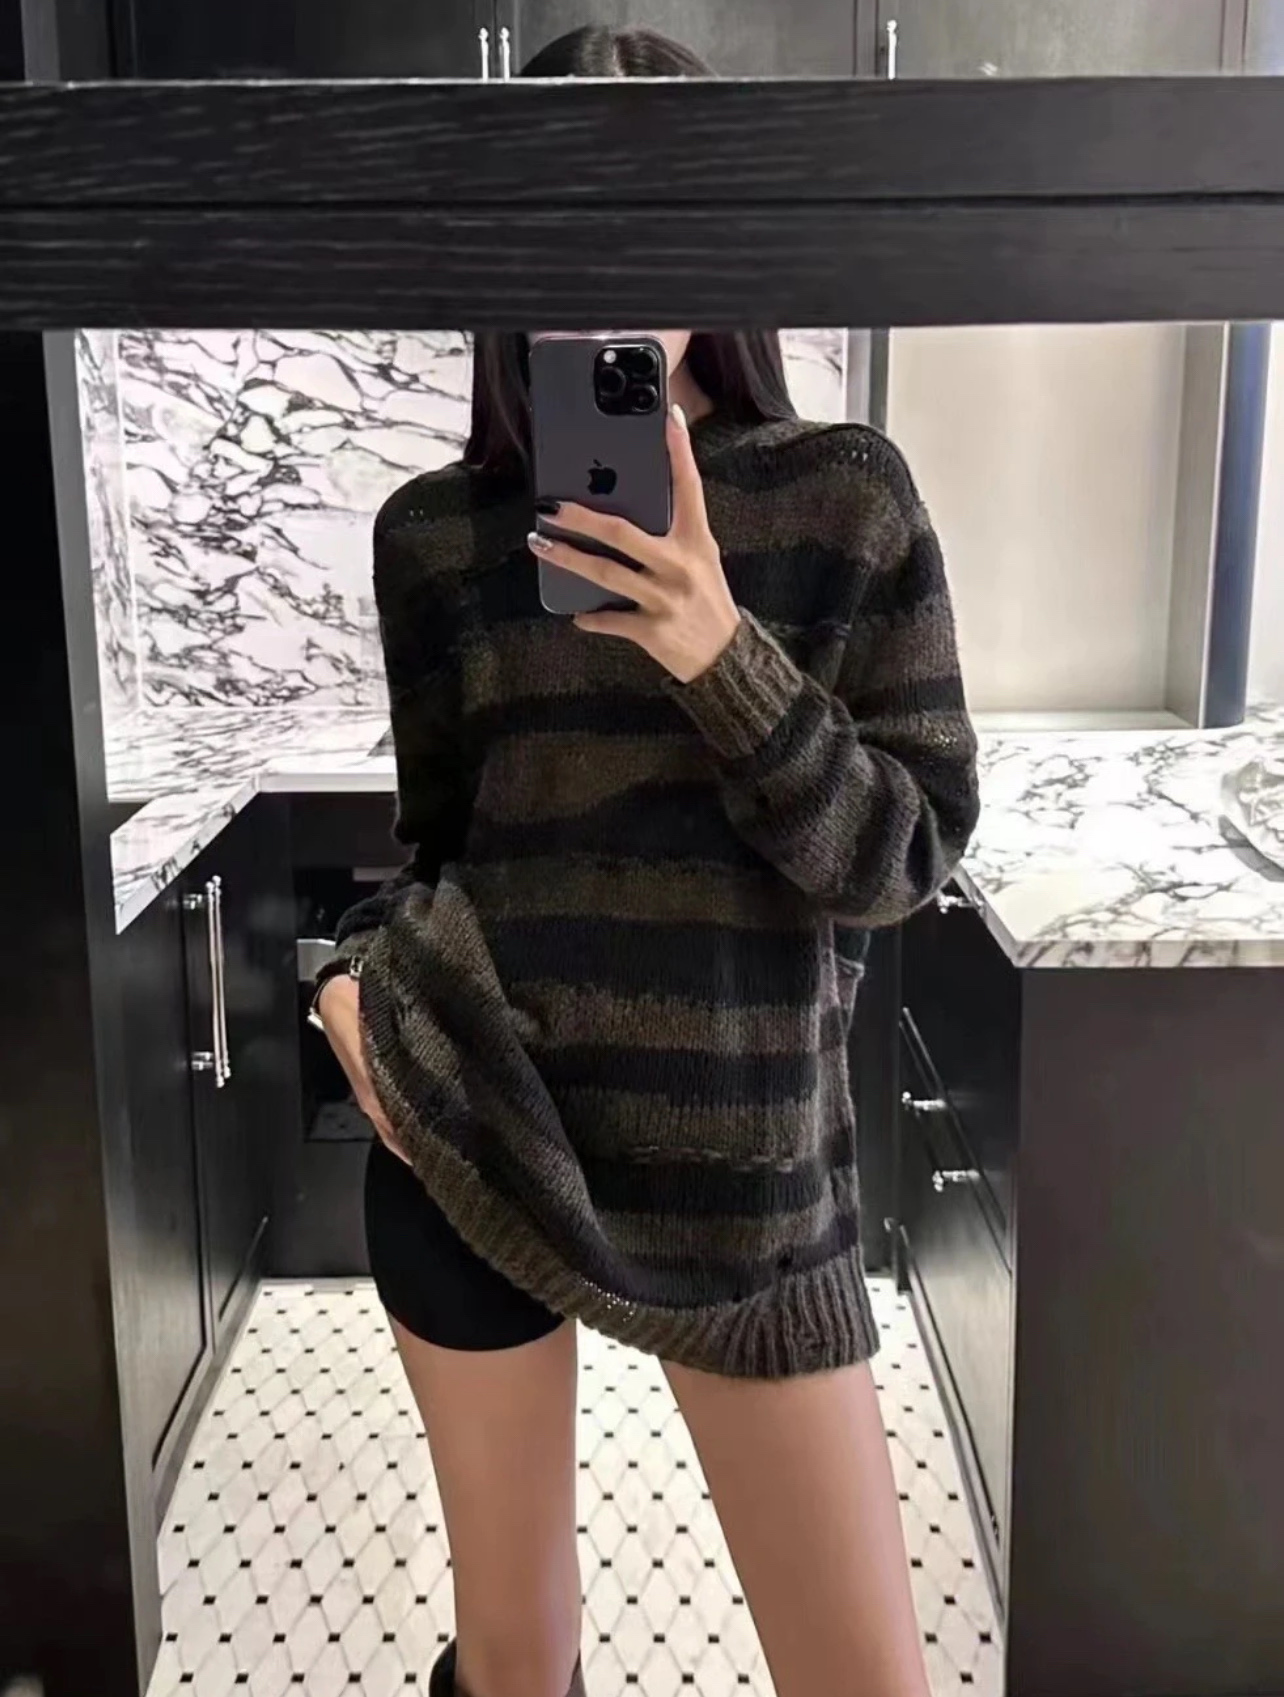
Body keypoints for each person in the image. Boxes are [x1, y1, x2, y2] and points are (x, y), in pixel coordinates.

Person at [313, 26, 980, 1697]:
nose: (603, 272)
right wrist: (350, 982)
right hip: (480, 1127)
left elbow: (903, 856)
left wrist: (717, 650)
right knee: (518, 1659)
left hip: (744, 1185)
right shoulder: (436, 538)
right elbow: (442, 846)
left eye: (645, 217)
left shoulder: (844, 499)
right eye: (559, 223)